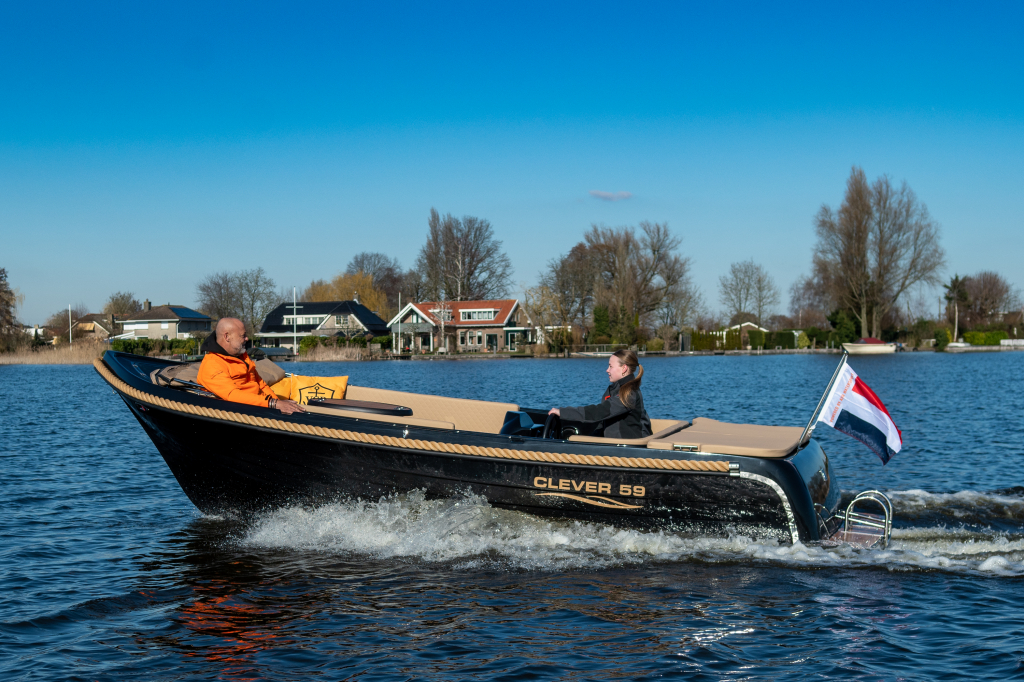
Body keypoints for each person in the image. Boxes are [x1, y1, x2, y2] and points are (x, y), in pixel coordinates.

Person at [197, 318, 305, 415]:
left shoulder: (242, 356)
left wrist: (279, 404)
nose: (247, 338)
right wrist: (273, 404)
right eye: (243, 336)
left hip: (259, 406)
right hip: (239, 412)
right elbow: (232, 395)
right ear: (227, 337)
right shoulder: (212, 364)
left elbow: (261, 384)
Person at [548, 349, 652, 438]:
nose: (607, 370)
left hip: (627, 449)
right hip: (615, 445)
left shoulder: (629, 394)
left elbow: (600, 411)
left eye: (611, 366)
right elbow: (604, 420)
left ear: (624, 368)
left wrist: (563, 412)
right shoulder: (615, 389)